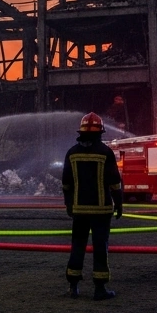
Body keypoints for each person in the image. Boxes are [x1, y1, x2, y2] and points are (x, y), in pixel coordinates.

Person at [61, 112, 123, 300]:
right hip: (101, 210)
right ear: (100, 132)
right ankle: (100, 289)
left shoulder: (72, 153)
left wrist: (69, 204)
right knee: (100, 248)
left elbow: (66, 183)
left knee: (77, 246)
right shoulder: (105, 152)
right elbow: (114, 183)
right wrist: (119, 203)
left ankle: (73, 286)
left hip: (79, 210)